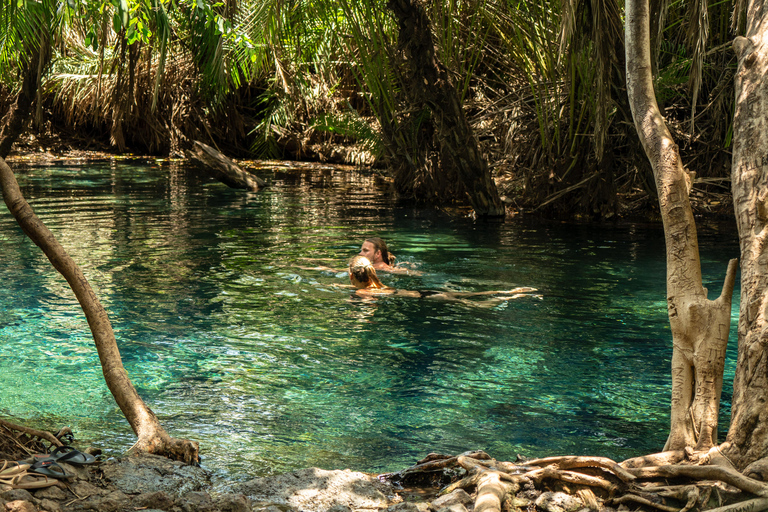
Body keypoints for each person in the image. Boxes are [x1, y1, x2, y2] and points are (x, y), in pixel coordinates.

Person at [347, 256, 537, 305]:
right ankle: (513, 291)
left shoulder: (363, 291)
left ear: (351, 275)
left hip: (430, 298)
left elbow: (368, 308)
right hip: (427, 292)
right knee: (474, 294)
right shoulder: (378, 285)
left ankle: (512, 298)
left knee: (478, 305)